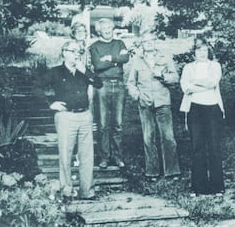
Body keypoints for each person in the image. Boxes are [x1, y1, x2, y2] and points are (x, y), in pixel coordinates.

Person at [38, 40, 102, 200]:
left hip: (85, 116)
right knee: (65, 154)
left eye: (79, 52)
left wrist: (85, 70)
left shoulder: (83, 71)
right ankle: (66, 190)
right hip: (66, 117)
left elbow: (99, 84)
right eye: (73, 51)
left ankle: (86, 191)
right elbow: (36, 86)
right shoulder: (55, 72)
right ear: (64, 52)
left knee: (87, 155)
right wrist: (50, 103)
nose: (76, 55)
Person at [127, 33, 181, 182]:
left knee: (168, 137)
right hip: (145, 103)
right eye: (146, 41)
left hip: (162, 102)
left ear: (155, 42)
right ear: (142, 44)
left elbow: (175, 78)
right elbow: (131, 82)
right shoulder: (137, 61)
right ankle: (152, 172)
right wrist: (136, 95)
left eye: (151, 41)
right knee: (148, 138)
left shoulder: (165, 57)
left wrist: (163, 76)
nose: (149, 43)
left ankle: (172, 171)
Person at [179, 37, 225, 197]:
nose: (202, 53)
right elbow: (185, 87)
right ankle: (198, 187)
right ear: (194, 53)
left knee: (214, 146)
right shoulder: (188, 67)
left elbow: (213, 83)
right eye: (198, 50)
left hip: (213, 107)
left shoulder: (215, 65)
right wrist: (200, 85)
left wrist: (195, 84)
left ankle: (217, 186)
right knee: (197, 147)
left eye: (204, 49)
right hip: (194, 109)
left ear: (209, 51)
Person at [90, 18, 129, 169]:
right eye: (104, 28)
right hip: (102, 85)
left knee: (118, 124)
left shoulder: (120, 43)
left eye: (109, 27)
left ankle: (118, 157)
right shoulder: (95, 46)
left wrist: (110, 58)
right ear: (99, 30)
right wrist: (115, 62)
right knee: (103, 124)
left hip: (118, 84)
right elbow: (97, 65)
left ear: (113, 28)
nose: (107, 30)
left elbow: (125, 58)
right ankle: (104, 157)